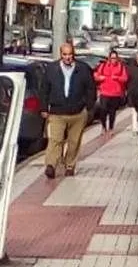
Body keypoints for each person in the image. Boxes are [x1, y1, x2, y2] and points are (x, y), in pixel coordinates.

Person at [38, 42, 96, 179]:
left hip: (77, 112)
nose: (68, 57)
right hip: (57, 112)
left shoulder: (83, 69)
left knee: (74, 141)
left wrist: (89, 106)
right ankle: (51, 165)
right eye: (65, 54)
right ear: (61, 54)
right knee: (55, 140)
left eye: (70, 54)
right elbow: (44, 90)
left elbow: (91, 89)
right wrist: (44, 108)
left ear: (74, 54)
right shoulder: (52, 69)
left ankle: (70, 165)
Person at [93, 49, 129, 137]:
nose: (113, 60)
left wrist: (117, 78)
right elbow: (95, 75)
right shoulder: (103, 66)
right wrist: (99, 78)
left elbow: (125, 78)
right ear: (109, 58)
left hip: (115, 93)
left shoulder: (121, 67)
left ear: (117, 58)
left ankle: (111, 128)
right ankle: (103, 127)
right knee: (103, 110)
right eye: (112, 58)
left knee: (112, 112)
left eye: (115, 58)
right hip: (104, 92)